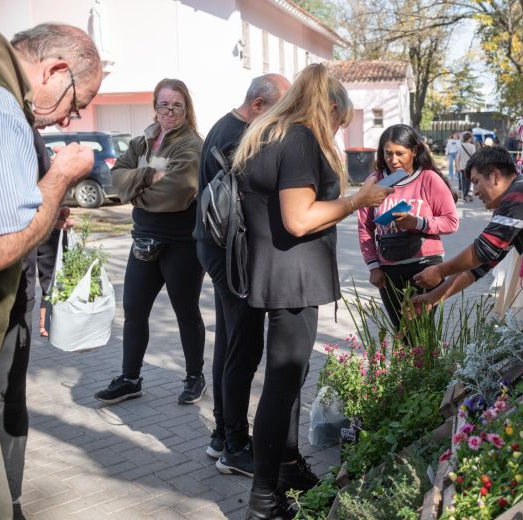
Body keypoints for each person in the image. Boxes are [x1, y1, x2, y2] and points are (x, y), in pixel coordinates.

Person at [232, 63, 391, 519]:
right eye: (339, 123)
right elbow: (299, 218)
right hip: (292, 277)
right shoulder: (299, 138)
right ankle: (264, 501)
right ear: (331, 109)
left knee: (289, 382)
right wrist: (358, 199)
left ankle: (284, 469)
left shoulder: (267, 133)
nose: (338, 134)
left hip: (275, 272)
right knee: (281, 387)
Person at [0, 24, 101, 519]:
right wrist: (59, 179)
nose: (68, 120)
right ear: (55, 71)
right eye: (76, 106)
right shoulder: (1, 107)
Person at [192, 74, 307, 489]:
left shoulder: (228, 126)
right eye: (278, 109)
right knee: (244, 347)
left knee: (230, 342)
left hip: (217, 247)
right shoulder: (237, 135)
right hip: (229, 252)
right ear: (259, 105)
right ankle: (235, 447)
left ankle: (222, 435)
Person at [95, 79, 206, 406]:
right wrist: (147, 177)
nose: (169, 112)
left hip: (180, 243)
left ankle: (195, 377)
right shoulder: (144, 139)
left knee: (185, 311)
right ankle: (130, 379)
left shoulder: (191, 145)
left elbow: (173, 195)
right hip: (143, 238)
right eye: (163, 105)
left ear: (186, 109)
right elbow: (117, 178)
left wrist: (135, 186)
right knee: (133, 308)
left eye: (176, 106)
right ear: (155, 107)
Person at [411, 146, 523, 317]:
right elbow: (479, 266)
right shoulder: (516, 199)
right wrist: (432, 298)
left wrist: (440, 271)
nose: (475, 191)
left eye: (476, 182)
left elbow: (482, 250)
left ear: (496, 175)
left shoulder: (522, 192)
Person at [357, 124, 459, 330]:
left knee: (423, 333)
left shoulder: (429, 179)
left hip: (425, 267)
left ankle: (429, 364)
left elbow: (451, 222)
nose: (393, 160)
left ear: (415, 151)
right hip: (388, 271)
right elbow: (364, 228)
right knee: (402, 332)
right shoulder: (374, 181)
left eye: (400, 153)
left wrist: (417, 222)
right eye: (388, 153)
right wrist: (373, 266)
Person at [455, 131, 476, 201]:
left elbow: (457, 158)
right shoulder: (472, 146)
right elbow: (474, 157)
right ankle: (467, 194)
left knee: (464, 180)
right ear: (469, 139)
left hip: (462, 166)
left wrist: (457, 167)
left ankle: (464, 195)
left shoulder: (460, 146)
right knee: (469, 180)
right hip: (469, 166)